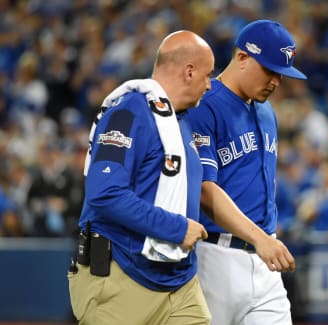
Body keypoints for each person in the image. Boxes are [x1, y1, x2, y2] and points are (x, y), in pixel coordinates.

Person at [68, 30, 215, 325]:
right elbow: (105, 193)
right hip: (123, 277)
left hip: (179, 281)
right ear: (189, 71)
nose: (209, 85)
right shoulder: (129, 113)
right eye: (208, 75)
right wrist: (176, 228)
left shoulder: (179, 124)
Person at [185, 20, 306, 325]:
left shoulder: (267, 112)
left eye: (281, 74)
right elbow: (204, 191)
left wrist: (264, 241)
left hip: (266, 260)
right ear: (242, 57)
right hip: (215, 259)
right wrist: (260, 239)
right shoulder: (204, 106)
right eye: (269, 70)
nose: (276, 81)